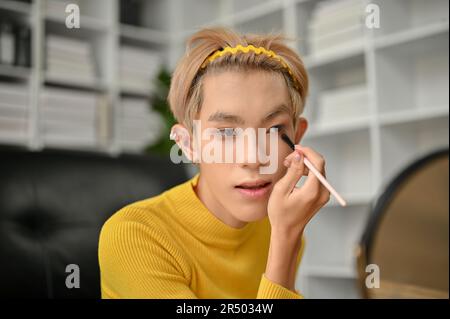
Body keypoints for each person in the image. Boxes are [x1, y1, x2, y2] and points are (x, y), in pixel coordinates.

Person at [98, 26, 330, 299]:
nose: (253, 158)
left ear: (297, 138)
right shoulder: (133, 237)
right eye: (226, 132)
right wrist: (285, 240)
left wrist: (285, 237)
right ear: (188, 145)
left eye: (272, 130)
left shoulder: (280, 226)